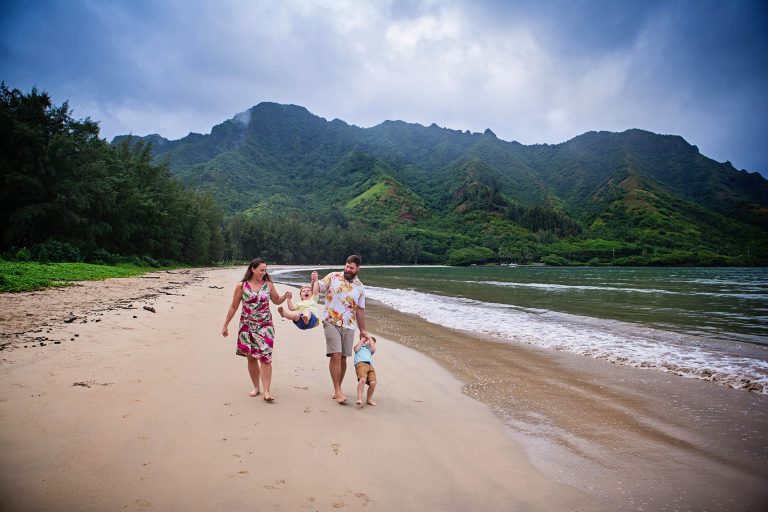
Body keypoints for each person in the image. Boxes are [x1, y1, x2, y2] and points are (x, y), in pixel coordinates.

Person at [221, 258, 290, 403]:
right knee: (251, 357)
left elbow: (276, 300)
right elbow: (233, 306)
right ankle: (256, 387)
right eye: (261, 270)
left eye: (265, 270)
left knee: (266, 357)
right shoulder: (242, 286)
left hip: (265, 326)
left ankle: (266, 391)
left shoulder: (268, 285)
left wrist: (285, 296)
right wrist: (225, 325)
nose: (264, 273)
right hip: (247, 326)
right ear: (253, 269)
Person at [313, 254, 370, 404]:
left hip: (349, 325)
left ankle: (337, 388)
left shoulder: (360, 287)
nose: (347, 269)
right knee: (336, 355)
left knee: (343, 357)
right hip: (331, 321)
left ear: (358, 269)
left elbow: (360, 310)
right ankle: (338, 391)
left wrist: (363, 330)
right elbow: (318, 289)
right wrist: (313, 281)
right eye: (346, 265)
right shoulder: (333, 276)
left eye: (351, 267)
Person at [353, 335, 377, 406]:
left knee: (373, 382)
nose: (370, 343)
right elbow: (356, 349)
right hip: (361, 364)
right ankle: (359, 398)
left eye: (372, 342)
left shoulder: (370, 350)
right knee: (362, 379)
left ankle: (369, 400)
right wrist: (362, 340)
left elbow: (373, 348)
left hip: (370, 366)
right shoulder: (360, 347)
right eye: (368, 341)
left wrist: (369, 339)